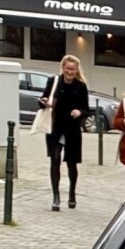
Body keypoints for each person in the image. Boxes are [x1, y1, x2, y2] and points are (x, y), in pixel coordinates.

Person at [40, 55, 91, 211]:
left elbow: (86, 109)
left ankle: (72, 192)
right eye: (68, 69)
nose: (70, 72)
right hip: (55, 127)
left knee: (71, 164)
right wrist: (43, 102)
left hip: (72, 129)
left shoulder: (81, 86)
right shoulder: (54, 82)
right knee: (54, 160)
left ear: (77, 70)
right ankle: (56, 197)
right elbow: (44, 100)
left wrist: (79, 112)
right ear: (62, 68)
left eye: (73, 70)